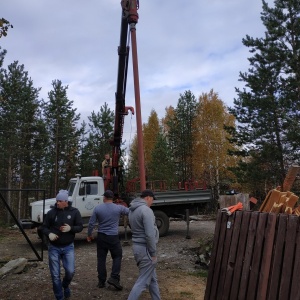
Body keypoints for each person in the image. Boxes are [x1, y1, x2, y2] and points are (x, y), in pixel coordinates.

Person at [42, 189, 83, 300]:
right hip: (54, 248)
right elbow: (43, 227)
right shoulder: (51, 213)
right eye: (57, 201)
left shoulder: (74, 212)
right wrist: (49, 233)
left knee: (70, 271)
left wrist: (71, 229)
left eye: (60, 201)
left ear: (66, 201)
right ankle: (59, 297)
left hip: (68, 247)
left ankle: (65, 285)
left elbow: (80, 227)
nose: (57, 203)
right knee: (55, 276)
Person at [87, 189, 129, 290]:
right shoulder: (119, 208)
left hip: (101, 236)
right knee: (117, 256)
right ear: (113, 198)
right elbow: (130, 211)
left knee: (101, 259)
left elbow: (91, 223)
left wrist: (89, 234)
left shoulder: (98, 208)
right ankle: (114, 277)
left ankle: (101, 282)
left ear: (104, 198)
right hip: (113, 237)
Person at [127, 189, 161, 300]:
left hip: (137, 247)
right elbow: (150, 235)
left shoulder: (132, 210)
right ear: (147, 198)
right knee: (143, 282)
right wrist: (153, 253)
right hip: (145, 249)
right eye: (152, 200)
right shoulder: (146, 210)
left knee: (152, 279)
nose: (152, 202)